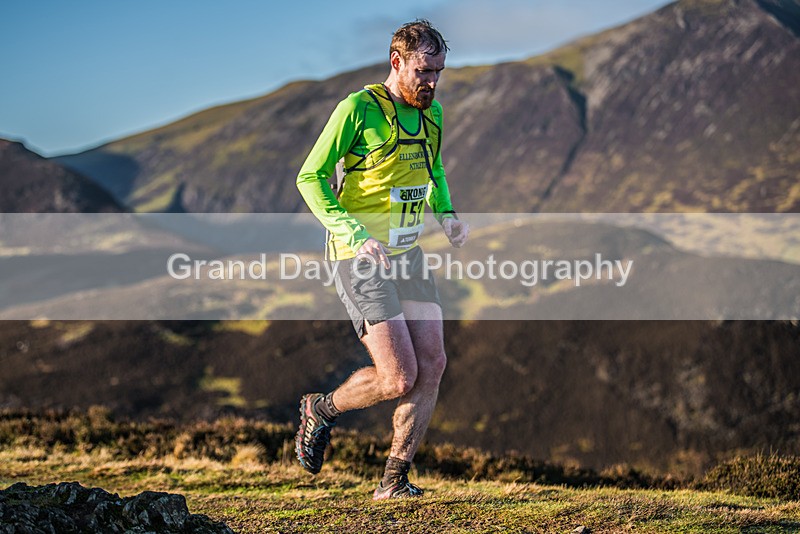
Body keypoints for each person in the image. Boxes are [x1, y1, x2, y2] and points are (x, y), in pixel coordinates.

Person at [294, 19, 469, 500]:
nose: (431, 82)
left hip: (408, 253)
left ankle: (393, 481)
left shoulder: (432, 116)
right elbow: (310, 177)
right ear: (397, 62)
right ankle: (322, 409)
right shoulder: (357, 109)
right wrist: (352, 231)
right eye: (423, 71)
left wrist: (448, 216)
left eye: (438, 72)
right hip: (360, 256)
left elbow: (432, 171)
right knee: (397, 377)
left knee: (432, 363)